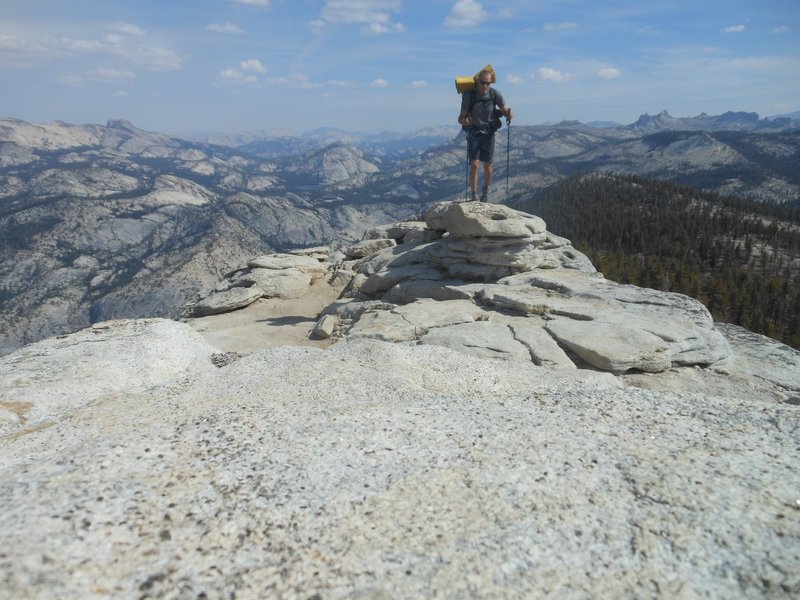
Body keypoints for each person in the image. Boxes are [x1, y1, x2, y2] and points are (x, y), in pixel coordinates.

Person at [458, 69, 513, 202]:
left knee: (488, 164)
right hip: (474, 132)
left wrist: (509, 114)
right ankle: (474, 195)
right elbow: (460, 118)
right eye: (483, 83)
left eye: (488, 83)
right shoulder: (470, 96)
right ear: (478, 81)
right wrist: (464, 121)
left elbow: (504, 110)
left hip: (489, 132)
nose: (485, 86)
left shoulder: (495, 94)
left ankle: (486, 192)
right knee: (475, 164)